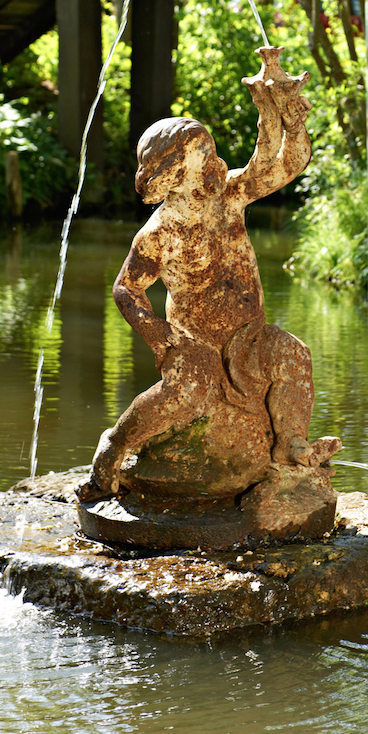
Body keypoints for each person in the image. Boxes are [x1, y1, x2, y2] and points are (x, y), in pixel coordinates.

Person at [77, 48, 340, 501]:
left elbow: (282, 164)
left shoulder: (229, 194)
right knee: (190, 388)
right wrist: (157, 333)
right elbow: (126, 288)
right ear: (172, 176)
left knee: (293, 355)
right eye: (204, 159)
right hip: (194, 341)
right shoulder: (160, 233)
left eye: (213, 153)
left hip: (248, 333)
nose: (216, 165)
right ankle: (115, 446)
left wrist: (288, 122)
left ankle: (291, 445)